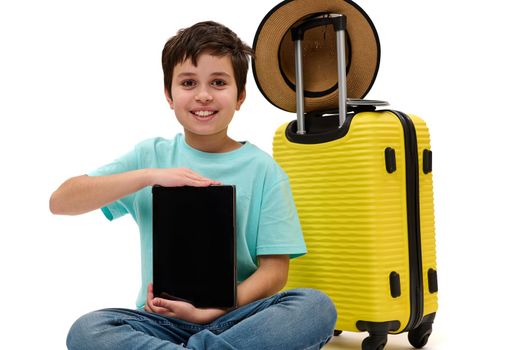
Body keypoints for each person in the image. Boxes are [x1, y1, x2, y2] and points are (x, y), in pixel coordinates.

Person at [50, 21, 337, 349]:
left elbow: (275, 271)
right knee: (88, 329)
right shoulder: (151, 156)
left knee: (315, 306)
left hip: (236, 316)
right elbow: (61, 201)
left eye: (218, 82)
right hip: (160, 321)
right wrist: (151, 176)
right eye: (188, 82)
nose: (203, 95)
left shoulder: (265, 171)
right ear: (169, 96)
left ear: (240, 96)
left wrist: (215, 310)